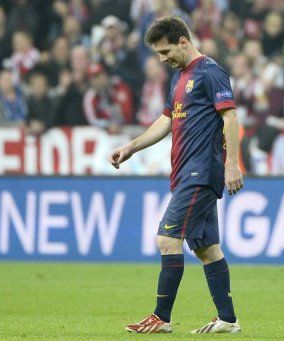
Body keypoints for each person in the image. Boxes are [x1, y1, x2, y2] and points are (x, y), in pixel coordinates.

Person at [108, 16, 243, 334]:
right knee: (206, 248)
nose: (162, 58)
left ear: (183, 40)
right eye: (157, 53)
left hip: (201, 171)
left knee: (167, 240)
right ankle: (228, 320)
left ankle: (161, 317)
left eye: (165, 51)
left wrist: (232, 163)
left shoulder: (210, 72)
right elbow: (166, 120)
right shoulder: (181, 77)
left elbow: (231, 117)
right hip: (185, 172)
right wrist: (131, 147)